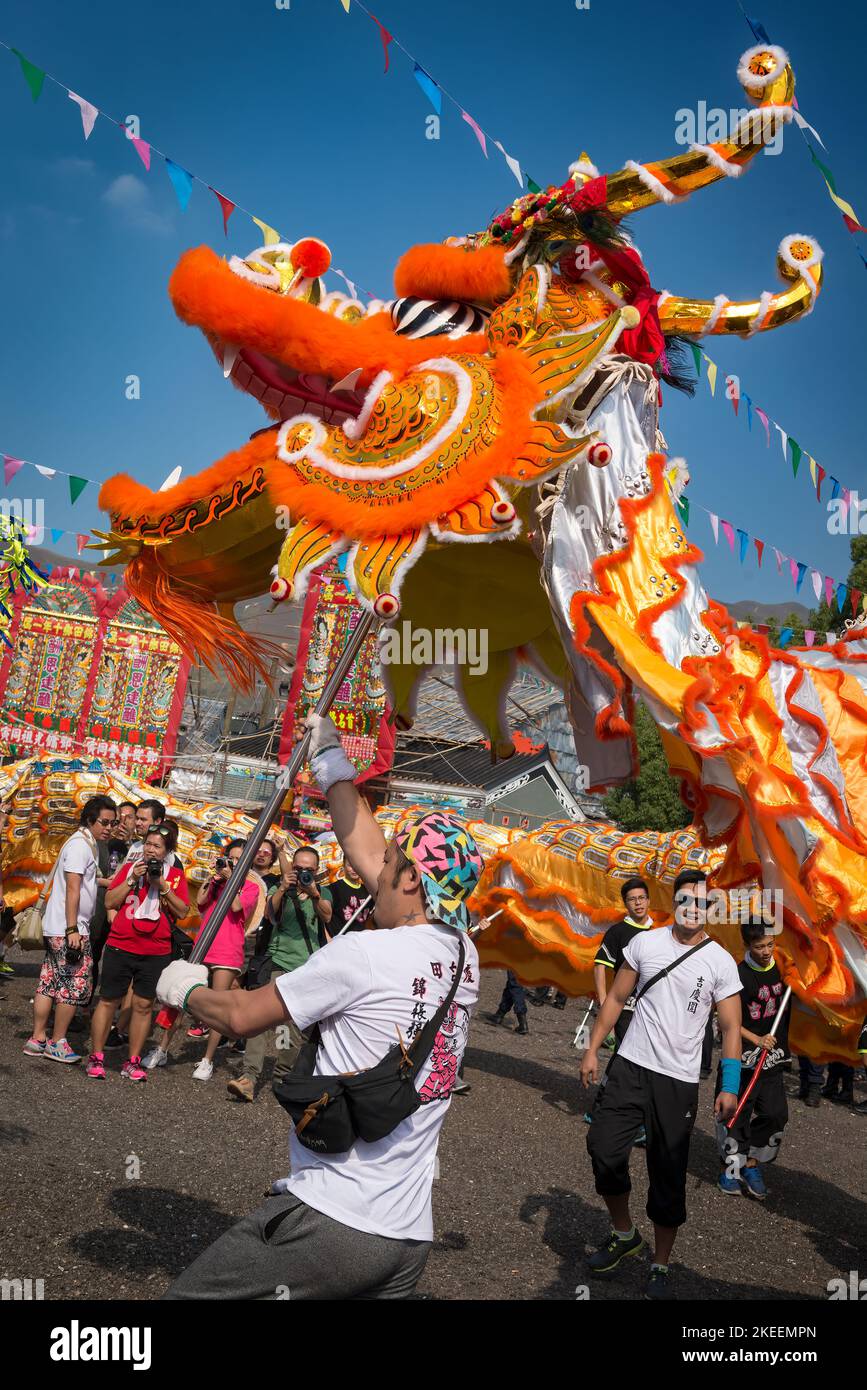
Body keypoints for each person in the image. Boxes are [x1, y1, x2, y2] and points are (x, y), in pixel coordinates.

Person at [156, 711, 482, 1300]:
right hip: (407, 1238)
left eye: (390, 867)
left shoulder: (362, 955)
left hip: (334, 1219)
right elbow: (370, 847)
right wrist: (330, 756)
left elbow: (239, 1016)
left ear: (410, 881)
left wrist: (180, 986)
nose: (373, 871)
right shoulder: (464, 955)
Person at [580, 869, 742, 1300]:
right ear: (673, 902)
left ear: (712, 909)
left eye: (703, 902)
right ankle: (625, 1232)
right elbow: (615, 998)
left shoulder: (720, 961)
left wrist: (729, 1085)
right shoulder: (645, 943)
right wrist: (594, 1048)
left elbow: (730, 1028)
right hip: (630, 1066)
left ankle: (660, 1263)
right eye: (686, 899)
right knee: (602, 1146)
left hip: (679, 1082)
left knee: (667, 1172)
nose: (694, 908)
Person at [226, 844, 332, 1103]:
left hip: (306, 969)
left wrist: (315, 894)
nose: (303, 873)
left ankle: (282, 1076)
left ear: (316, 872)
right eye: (298, 868)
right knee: (260, 1020)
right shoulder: (280, 888)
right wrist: (284, 888)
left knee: (290, 1027)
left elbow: (327, 917)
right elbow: (270, 914)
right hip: (278, 962)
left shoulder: (323, 891)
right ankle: (249, 1077)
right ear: (291, 868)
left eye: (309, 870)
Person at [87, 823, 189, 1082]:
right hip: (122, 943)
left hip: (155, 950)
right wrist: (132, 878)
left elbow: (182, 911)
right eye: (148, 844)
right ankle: (96, 1056)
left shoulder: (176, 875)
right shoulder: (130, 868)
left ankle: (132, 1060)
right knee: (109, 1000)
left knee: (144, 1005)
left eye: (157, 846)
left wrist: (162, 885)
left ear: (167, 851)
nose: (150, 850)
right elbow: (110, 901)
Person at [23, 796, 118, 1063]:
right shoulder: (80, 846)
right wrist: (73, 928)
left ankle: (38, 1038)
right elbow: (73, 887)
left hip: (58, 926)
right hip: (70, 928)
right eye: (105, 822)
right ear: (90, 819)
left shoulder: (82, 842)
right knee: (72, 985)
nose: (109, 828)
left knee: (49, 981)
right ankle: (57, 1041)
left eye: (113, 823)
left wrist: (102, 881)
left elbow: (81, 879)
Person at [717, 920, 790, 1200]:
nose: (767, 951)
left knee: (775, 1114)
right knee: (739, 1114)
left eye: (771, 944)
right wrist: (756, 1039)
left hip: (773, 1058)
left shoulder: (784, 969)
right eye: (760, 946)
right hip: (745, 1056)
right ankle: (731, 1169)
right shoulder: (739, 975)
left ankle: (751, 1163)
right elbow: (728, 1020)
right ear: (747, 945)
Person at [584, 876, 654, 1136]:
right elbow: (601, 965)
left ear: (648, 900)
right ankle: (631, 1119)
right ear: (625, 903)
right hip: (625, 1007)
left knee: (624, 1060)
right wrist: (604, 1002)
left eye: (641, 898)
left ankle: (600, 1108)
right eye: (632, 899)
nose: (638, 903)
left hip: (650, 1010)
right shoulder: (618, 932)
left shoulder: (659, 933)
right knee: (631, 1059)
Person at [189, 839, 259, 1081]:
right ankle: (163, 1048)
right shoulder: (218, 881)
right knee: (183, 996)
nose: (233, 863)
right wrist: (214, 879)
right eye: (231, 858)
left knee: (218, 1005)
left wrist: (231, 879)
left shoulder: (250, 887)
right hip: (204, 944)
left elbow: (238, 905)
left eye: (240, 859)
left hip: (227, 949)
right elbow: (199, 903)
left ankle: (207, 1060)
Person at [329, 856, 374, 933]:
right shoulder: (334, 888)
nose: (354, 869)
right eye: (350, 865)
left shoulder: (368, 890)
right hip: (342, 939)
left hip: (363, 938)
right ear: (343, 865)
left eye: (357, 865)